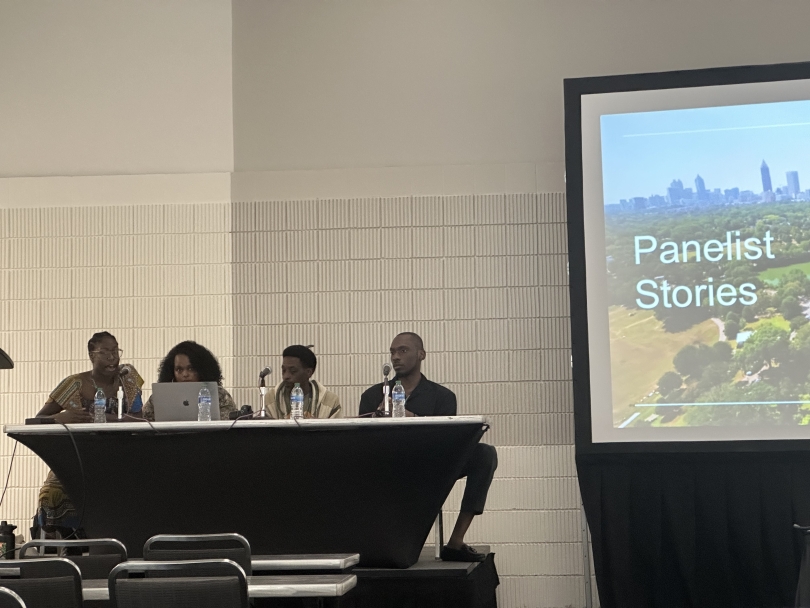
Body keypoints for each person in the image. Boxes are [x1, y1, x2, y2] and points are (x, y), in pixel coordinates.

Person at [358, 332, 498, 562]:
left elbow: (447, 441)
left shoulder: (442, 396)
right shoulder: (374, 395)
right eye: (392, 352)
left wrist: (412, 417)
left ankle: (456, 541)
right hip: (387, 465)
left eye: (403, 350)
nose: (395, 357)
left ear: (421, 354)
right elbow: (363, 443)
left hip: (430, 464)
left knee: (484, 454)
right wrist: (377, 416)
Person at [35, 331, 145, 537]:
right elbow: (36, 420)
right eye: (105, 352)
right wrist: (60, 418)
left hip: (121, 459)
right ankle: (71, 544)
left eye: (115, 351)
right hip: (78, 461)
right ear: (92, 355)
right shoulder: (73, 384)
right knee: (52, 494)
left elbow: (141, 419)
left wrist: (107, 419)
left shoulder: (128, 379)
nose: (112, 358)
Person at [143, 341, 236, 421]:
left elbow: (228, 426)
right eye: (179, 370)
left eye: (191, 369)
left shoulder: (220, 395)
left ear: (202, 370)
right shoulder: (159, 397)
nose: (185, 374)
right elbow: (143, 423)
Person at [265, 345, 342, 419]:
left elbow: (338, 431)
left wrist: (317, 425)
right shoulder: (271, 398)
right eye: (283, 370)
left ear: (309, 372)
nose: (286, 376)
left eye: (293, 371)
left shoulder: (330, 400)